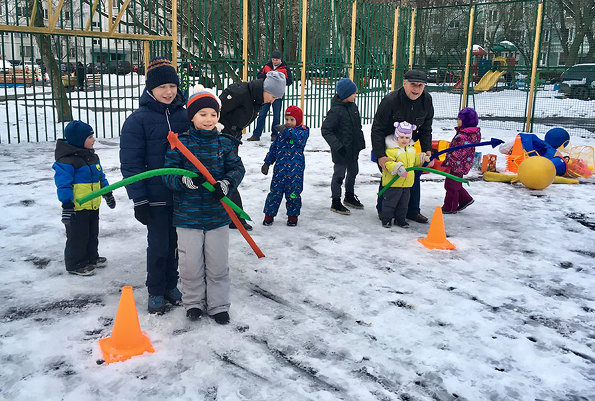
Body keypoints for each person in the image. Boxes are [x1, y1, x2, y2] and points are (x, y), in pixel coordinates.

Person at [163, 88, 245, 325]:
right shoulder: (179, 144)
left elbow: (237, 169)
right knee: (190, 266)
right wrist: (184, 181)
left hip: (217, 216)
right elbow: (167, 175)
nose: (209, 119)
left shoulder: (225, 144)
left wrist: (227, 183)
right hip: (187, 217)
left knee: (218, 264)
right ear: (192, 117)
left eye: (213, 114)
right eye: (203, 114)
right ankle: (193, 303)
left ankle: (218, 305)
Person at [120, 57, 191, 314]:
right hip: (155, 197)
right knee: (159, 245)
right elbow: (131, 163)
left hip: (182, 196)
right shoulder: (137, 121)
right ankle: (156, 289)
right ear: (150, 88)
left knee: (176, 245)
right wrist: (139, 199)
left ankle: (172, 284)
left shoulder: (185, 116)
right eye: (163, 87)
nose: (169, 92)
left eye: (173, 86)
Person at [218, 70, 287, 230]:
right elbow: (216, 110)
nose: (273, 100)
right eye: (273, 97)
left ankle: (234, 217)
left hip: (231, 138)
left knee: (229, 176)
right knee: (229, 175)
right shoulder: (239, 93)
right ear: (267, 90)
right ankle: (235, 218)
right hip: (221, 138)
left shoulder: (257, 99)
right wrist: (218, 132)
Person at [52, 120, 116, 276]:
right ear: (79, 140)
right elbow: (63, 185)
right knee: (77, 236)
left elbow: (101, 177)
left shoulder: (92, 157)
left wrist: (107, 193)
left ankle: (91, 258)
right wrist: (67, 205)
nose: (94, 139)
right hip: (77, 207)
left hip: (93, 205)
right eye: (90, 137)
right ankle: (75, 264)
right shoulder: (66, 161)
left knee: (92, 233)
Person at [371, 69, 434, 223]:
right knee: (390, 175)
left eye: (420, 86)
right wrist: (381, 156)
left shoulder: (426, 100)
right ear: (404, 83)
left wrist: (427, 150)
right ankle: (383, 210)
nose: (416, 89)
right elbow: (377, 128)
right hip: (389, 145)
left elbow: (426, 128)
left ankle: (411, 211)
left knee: (413, 175)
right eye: (413, 85)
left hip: (409, 145)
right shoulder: (391, 101)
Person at [321, 78, 366, 215]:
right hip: (341, 151)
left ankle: (349, 196)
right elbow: (326, 130)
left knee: (353, 172)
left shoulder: (353, 106)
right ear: (346, 94)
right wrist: (338, 146)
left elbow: (357, 126)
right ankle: (335, 201)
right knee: (339, 175)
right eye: (353, 93)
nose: (355, 95)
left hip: (353, 149)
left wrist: (360, 142)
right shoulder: (335, 111)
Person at [261, 105, 309, 226]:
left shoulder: (303, 130)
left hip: (295, 171)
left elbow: (298, 139)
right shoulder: (281, 134)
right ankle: (269, 215)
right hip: (280, 170)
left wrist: (286, 130)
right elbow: (274, 148)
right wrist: (267, 162)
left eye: (292, 120)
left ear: (298, 120)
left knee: (293, 194)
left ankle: (293, 216)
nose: (288, 122)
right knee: (274, 193)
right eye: (287, 119)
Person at [380, 121, 430, 228]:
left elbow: (414, 160)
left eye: (407, 138)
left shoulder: (411, 149)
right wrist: (397, 168)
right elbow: (388, 163)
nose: (404, 140)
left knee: (403, 205)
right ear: (396, 136)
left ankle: (400, 219)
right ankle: (386, 219)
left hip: (407, 183)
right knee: (390, 203)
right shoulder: (391, 150)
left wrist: (422, 158)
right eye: (401, 137)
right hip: (393, 183)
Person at [247, 50, 293, 142]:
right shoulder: (267, 66)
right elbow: (259, 75)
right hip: (266, 94)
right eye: (273, 59)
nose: (274, 61)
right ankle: (256, 135)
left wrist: (280, 78)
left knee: (276, 115)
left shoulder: (285, 68)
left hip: (277, 96)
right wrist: (267, 76)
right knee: (262, 114)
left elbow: (289, 81)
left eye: (276, 60)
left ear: (280, 60)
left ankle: (275, 135)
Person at [441, 107, 481, 214]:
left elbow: (458, 153)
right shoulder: (469, 134)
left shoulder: (463, 136)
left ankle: (450, 207)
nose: (457, 121)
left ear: (466, 121)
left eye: (459, 119)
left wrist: (449, 161)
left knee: (451, 186)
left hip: (457, 165)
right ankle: (465, 199)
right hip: (462, 164)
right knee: (456, 184)